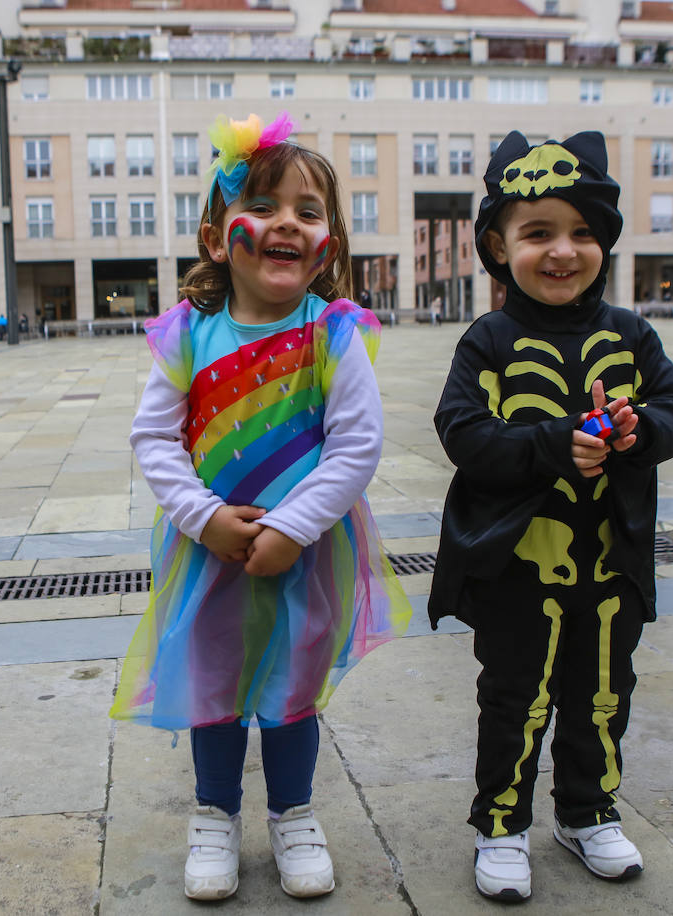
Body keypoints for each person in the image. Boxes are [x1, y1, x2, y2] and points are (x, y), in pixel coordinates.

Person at [111, 112, 411, 902]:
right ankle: (214, 814)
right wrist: (202, 516)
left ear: (328, 246)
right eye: (264, 205)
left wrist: (293, 526)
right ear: (218, 238)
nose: (287, 223)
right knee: (213, 683)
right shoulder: (187, 335)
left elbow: (356, 446)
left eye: (308, 212)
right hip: (206, 552)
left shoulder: (334, 334)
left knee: (291, 687)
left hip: (306, 553)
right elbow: (153, 438)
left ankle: (293, 813)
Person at [429, 131, 673, 901]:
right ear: (498, 246)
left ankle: (587, 812)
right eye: (538, 232)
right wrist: (552, 443)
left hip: (612, 565)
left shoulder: (631, 335)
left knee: (604, 696)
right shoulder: (489, 340)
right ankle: (501, 823)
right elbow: (463, 433)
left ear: (604, 243)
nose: (562, 250)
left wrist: (640, 432)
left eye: (582, 232)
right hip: (519, 570)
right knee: (515, 701)